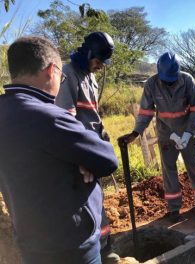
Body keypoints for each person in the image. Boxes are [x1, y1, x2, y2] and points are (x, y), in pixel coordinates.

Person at [0, 36, 118, 263]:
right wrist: (83, 157)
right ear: (51, 70)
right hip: (70, 247)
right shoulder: (48, 117)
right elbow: (107, 160)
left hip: (31, 242)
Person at [118, 52, 195, 223]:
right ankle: (174, 208)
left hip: (187, 131)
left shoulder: (188, 81)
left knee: (194, 164)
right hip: (166, 133)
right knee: (169, 169)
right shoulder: (152, 84)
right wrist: (135, 133)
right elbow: (146, 111)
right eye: (166, 79)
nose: (169, 82)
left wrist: (188, 134)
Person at [54, 31, 119, 263]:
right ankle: (94, 251)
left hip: (92, 147)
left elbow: (91, 113)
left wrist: (102, 135)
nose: (100, 66)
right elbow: (66, 120)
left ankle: (105, 246)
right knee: (86, 204)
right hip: (80, 153)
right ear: (88, 53)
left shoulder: (90, 76)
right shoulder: (67, 74)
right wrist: (80, 156)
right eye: (98, 60)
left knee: (98, 199)